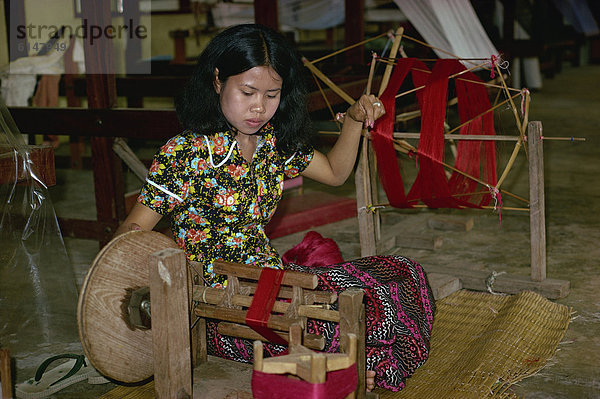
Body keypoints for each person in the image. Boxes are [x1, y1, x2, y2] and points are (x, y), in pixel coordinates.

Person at [115, 24, 435, 393]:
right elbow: (131, 232)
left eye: (272, 94)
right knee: (331, 326)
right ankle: (333, 367)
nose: (259, 107)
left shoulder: (272, 143)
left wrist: (352, 120)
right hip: (217, 303)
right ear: (218, 81)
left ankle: (340, 364)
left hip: (272, 280)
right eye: (247, 92)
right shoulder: (185, 154)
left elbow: (334, 172)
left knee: (398, 277)